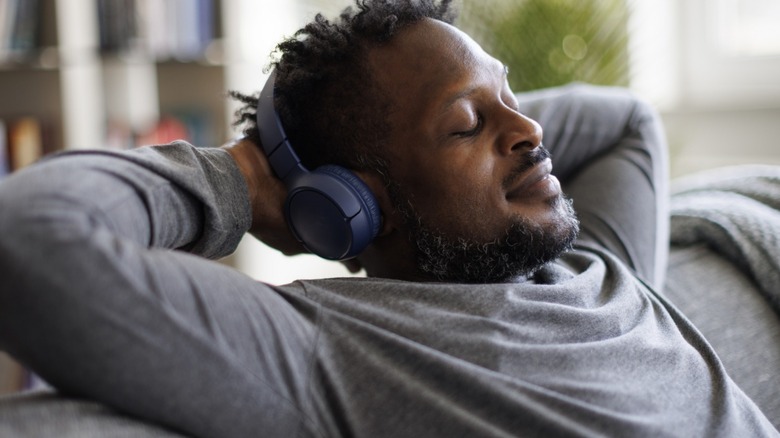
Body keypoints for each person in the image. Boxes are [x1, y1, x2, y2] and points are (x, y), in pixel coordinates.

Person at [0, 0, 776, 436]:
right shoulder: (333, 349)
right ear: (357, 207)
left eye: (509, 95)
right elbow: (29, 241)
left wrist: (479, 117)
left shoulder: (596, 264)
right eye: (467, 126)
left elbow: (623, 121)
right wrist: (235, 176)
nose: (532, 133)